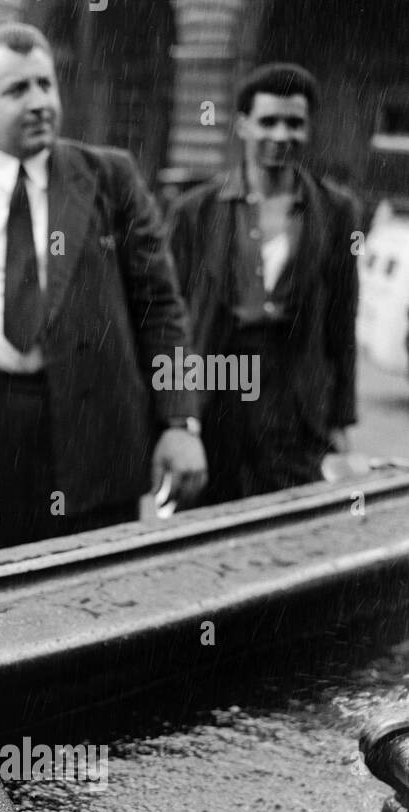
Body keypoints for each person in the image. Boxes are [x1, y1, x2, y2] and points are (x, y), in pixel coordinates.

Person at [0, 23, 205, 559]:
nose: (39, 103)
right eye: (17, 90)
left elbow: (162, 309)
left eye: (45, 85)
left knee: (92, 603)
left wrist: (179, 420)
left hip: (94, 434)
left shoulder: (111, 178)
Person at [167, 63, 359, 504]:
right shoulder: (195, 211)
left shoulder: (337, 211)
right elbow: (168, 318)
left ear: (308, 129)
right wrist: (176, 416)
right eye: (268, 121)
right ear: (242, 125)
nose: (281, 134)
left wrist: (339, 419)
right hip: (216, 395)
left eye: (294, 123)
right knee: (202, 534)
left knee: (287, 534)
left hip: (294, 406)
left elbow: (341, 323)